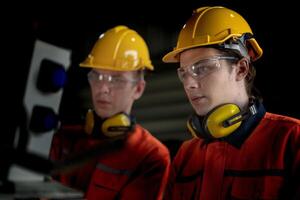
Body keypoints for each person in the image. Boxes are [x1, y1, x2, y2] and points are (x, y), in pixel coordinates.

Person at [162, 6, 300, 200]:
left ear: (241, 69)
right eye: (184, 73)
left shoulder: (290, 140)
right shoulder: (186, 155)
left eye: (202, 68)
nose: (189, 84)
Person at [49, 25, 170, 200]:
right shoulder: (62, 139)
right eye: (97, 76)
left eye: (117, 79)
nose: (103, 88)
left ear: (138, 89)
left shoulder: (150, 156)